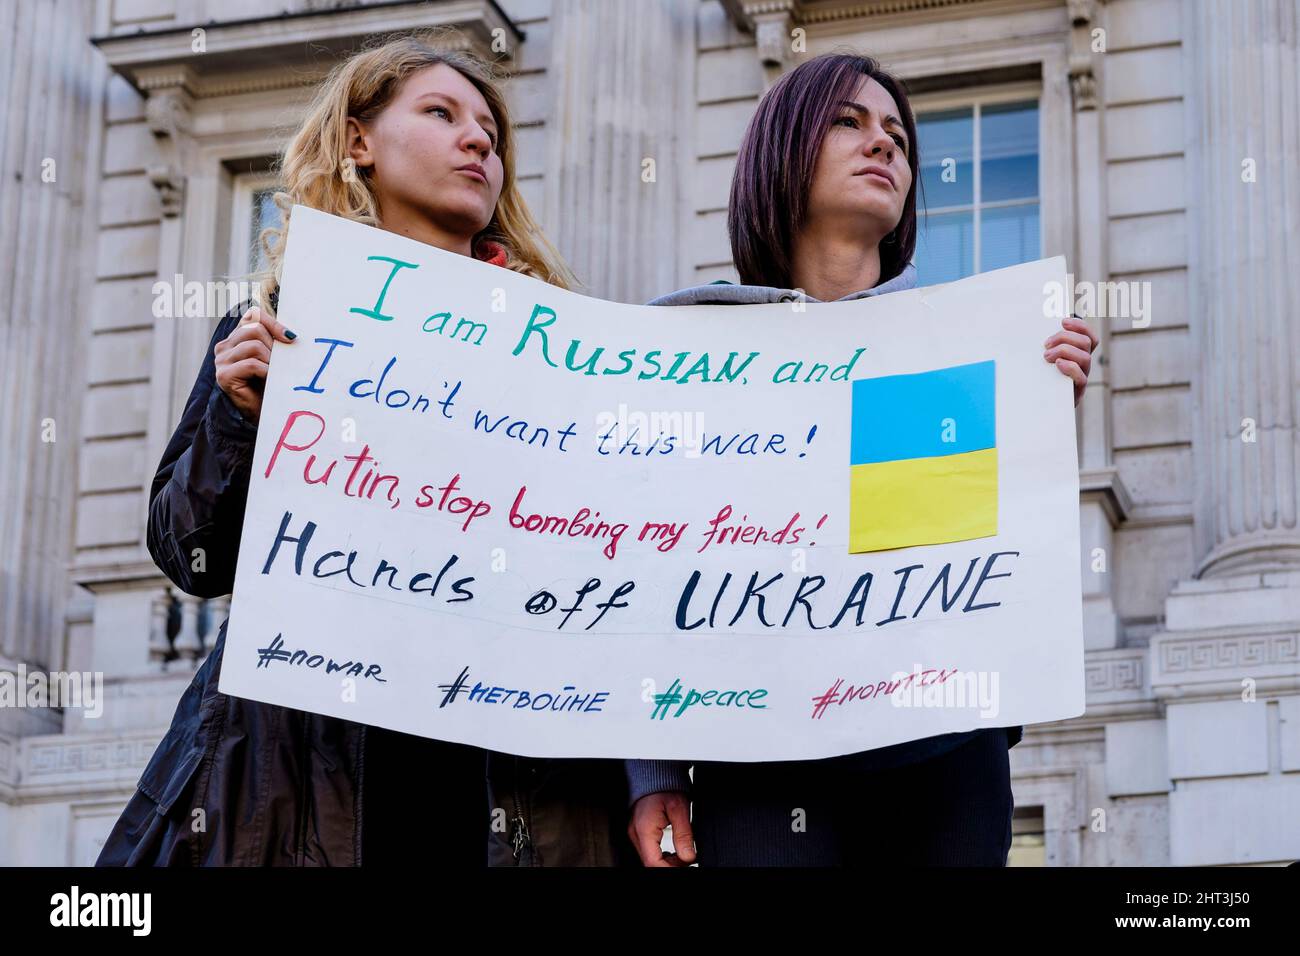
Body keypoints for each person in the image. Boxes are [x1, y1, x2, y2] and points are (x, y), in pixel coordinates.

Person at [95, 32, 626, 866]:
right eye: (442, 113)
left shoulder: (562, 349)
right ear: (358, 143)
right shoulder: (279, 324)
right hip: (306, 768)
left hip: (510, 773)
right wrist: (236, 420)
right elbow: (192, 556)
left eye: (490, 129)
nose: (480, 139)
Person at [626, 53, 1097, 867]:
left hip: (943, 751)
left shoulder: (964, 348)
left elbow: (969, 553)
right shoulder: (688, 349)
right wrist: (655, 770)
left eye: (898, 137)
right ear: (782, 150)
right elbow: (656, 562)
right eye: (849, 122)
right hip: (760, 755)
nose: (884, 145)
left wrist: (1036, 424)